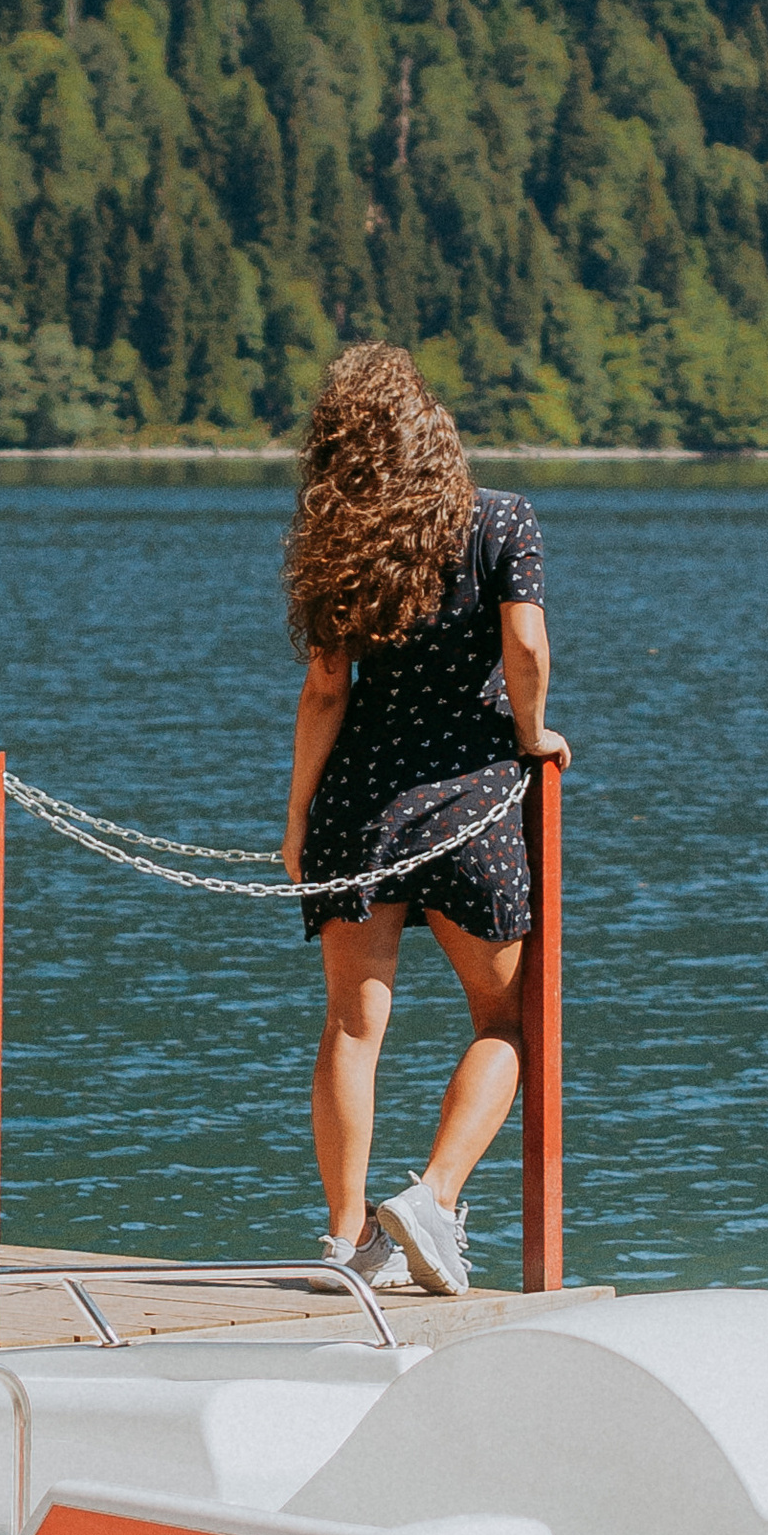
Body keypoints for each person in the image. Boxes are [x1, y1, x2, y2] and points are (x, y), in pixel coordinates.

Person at [279, 344, 569, 1297]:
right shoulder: (501, 520)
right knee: (511, 1019)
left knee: (352, 1028)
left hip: (359, 804)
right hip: (472, 805)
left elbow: (326, 692)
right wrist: (532, 734)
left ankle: (343, 1240)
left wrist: (296, 820)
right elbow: (523, 644)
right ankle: (435, 1197)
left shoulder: (339, 546)